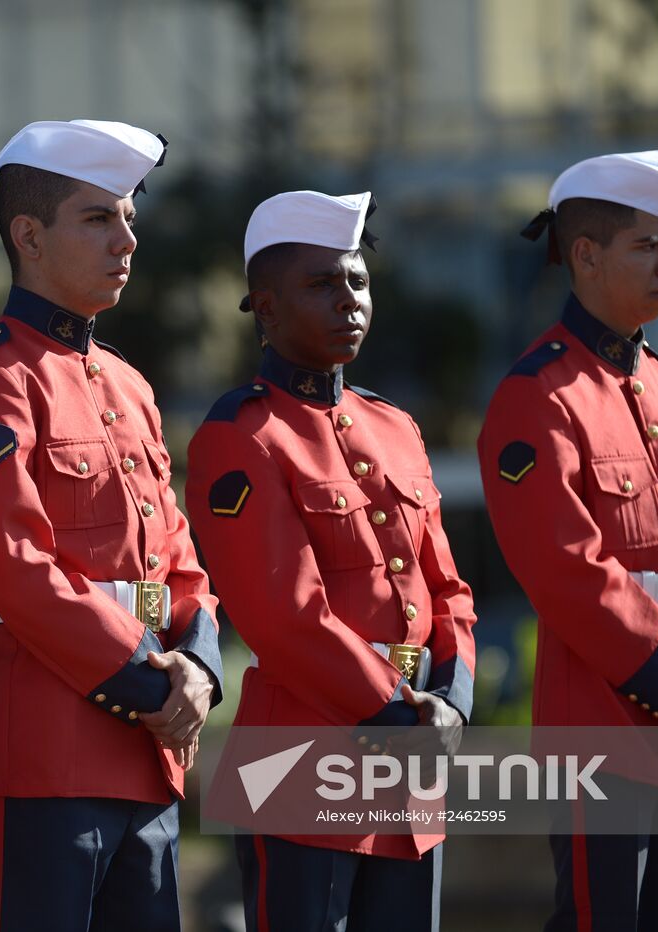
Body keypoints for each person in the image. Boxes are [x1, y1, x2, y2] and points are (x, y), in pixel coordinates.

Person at [0, 120, 224, 931]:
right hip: (41, 755)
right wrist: (151, 684)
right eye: (99, 218)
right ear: (28, 235)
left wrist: (199, 667)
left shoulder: (128, 384)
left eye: (129, 216)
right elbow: (16, 566)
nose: (128, 237)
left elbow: (180, 559)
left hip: (150, 754)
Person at [478, 150, 658, 931]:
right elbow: (567, 572)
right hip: (605, 735)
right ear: (586, 256)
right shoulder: (535, 396)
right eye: (648, 245)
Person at [186, 191, 477, 932]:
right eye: (321, 284)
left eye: (356, 279)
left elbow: (448, 590)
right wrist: (399, 716)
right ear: (266, 308)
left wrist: (452, 696)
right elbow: (285, 616)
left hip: (412, 768)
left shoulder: (396, 427)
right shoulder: (242, 433)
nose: (348, 298)